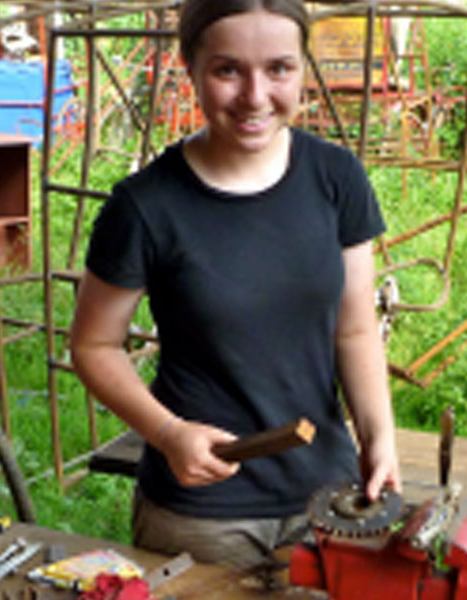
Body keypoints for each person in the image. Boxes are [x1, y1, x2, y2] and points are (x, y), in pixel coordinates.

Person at [70, 0, 401, 568]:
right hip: (200, 512)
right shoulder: (145, 206)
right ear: (191, 68)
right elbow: (93, 346)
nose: (255, 96)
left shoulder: (336, 179)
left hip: (329, 498)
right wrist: (168, 432)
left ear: (302, 68)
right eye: (228, 70)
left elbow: (354, 330)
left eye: (279, 68)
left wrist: (380, 439)